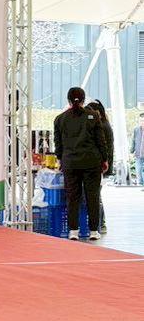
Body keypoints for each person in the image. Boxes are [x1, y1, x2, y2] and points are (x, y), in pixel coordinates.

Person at [54, 87, 108, 241]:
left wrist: (60, 159)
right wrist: (105, 159)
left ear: (68, 100)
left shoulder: (60, 119)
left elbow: (58, 144)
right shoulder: (93, 116)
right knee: (93, 196)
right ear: (84, 100)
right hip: (92, 162)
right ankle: (93, 231)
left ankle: (73, 231)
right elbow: (101, 141)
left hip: (70, 163)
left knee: (72, 198)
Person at [86, 100, 112, 233]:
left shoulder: (102, 126)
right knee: (96, 195)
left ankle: (101, 223)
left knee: (96, 196)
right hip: (101, 165)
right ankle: (100, 223)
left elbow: (104, 148)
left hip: (99, 166)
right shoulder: (104, 124)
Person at [131, 113, 144, 186]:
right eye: (141, 120)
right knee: (138, 170)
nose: (142, 122)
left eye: (143, 120)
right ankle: (140, 184)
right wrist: (132, 150)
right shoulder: (136, 130)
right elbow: (133, 140)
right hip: (138, 154)